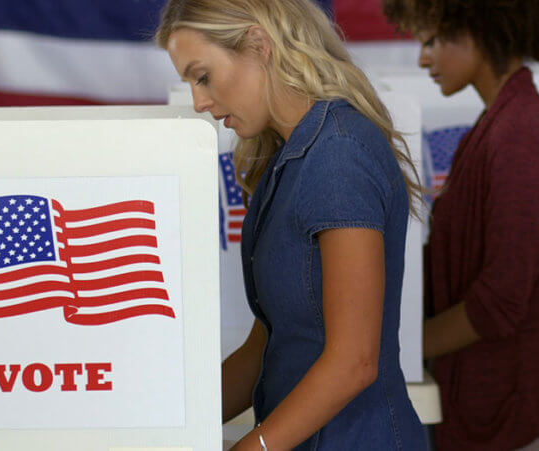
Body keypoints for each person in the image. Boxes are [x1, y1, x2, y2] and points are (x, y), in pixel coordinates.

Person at [156, 1, 427, 449]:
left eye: (202, 76)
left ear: (258, 45)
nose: (199, 102)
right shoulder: (291, 157)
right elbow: (265, 345)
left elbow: (354, 361)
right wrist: (163, 426)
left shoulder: (338, 153)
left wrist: (253, 447)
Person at [382, 1, 539, 450]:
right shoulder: (500, 123)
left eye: (432, 41)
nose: (422, 59)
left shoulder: (517, 131)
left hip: (509, 402)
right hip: (492, 395)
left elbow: (501, 300)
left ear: (478, 29)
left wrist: (400, 352)